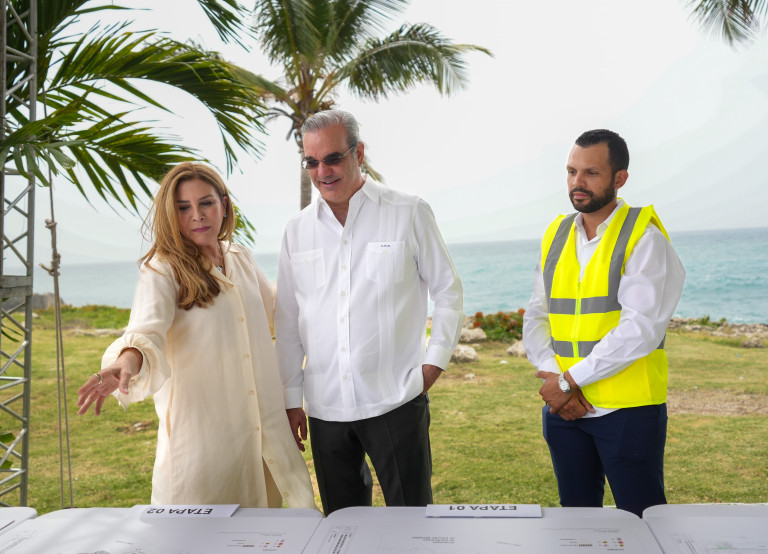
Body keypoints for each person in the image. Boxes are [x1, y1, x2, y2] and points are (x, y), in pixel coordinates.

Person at [76, 162, 316, 509]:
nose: (197, 215)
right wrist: (126, 361)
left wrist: (312, 274)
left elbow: (275, 313)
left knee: (272, 529)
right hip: (206, 442)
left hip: (263, 431)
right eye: (183, 207)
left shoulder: (240, 257)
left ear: (224, 204)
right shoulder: (162, 270)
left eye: (206, 203)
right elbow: (146, 331)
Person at [274, 109, 464, 515]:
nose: (322, 172)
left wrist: (433, 365)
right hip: (325, 407)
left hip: (396, 399)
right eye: (312, 162)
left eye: (333, 158)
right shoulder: (297, 230)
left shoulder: (409, 211)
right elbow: (288, 319)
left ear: (358, 153)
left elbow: (448, 291)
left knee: (413, 519)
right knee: (342, 525)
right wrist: (291, 398)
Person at [523, 129, 685, 517]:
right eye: (571, 171)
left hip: (627, 413)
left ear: (620, 178)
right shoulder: (556, 234)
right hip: (566, 412)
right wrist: (555, 381)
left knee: (644, 520)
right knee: (578, 523)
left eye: (591, 173)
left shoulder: (644, 238)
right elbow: (537, 314)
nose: (577, 182)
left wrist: (567, 382)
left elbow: (640, 330)